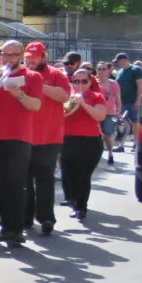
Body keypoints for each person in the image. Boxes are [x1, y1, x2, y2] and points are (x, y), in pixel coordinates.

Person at [0, 40, 43, 246]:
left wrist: (18, 93)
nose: (7, 58)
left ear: (21, 56)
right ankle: (6, 226)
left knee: (15, 183)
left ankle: (16, 228)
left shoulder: (32, 77)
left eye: (12, 55)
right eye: (3, 54)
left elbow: (36, 105)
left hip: (20, 137)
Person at [23, 42, 70, 236]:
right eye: (27, 58)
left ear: (44, 57)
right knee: (24, 180)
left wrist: (38, 84)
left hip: (49, 136)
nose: (30, 61)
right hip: (24, 136)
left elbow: (65, 95)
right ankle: (25, 217)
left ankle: (46, 218)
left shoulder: (55, 74)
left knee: (44, 180)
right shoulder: (19, 74)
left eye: (34, 57)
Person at [61, 69, 106, 221]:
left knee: (82, 175)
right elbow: (60, 115)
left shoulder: (97, 96)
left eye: (84, 81)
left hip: (90, 142)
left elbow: (100, 115)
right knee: (69, 174)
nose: (80, 84)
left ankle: (81, 207)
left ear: (90, 82)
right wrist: (71, 103)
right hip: (68, 139)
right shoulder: (67, 97)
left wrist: (84, 104)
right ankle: (73, 200)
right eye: (76, 81)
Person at [96, 62, 121, 165]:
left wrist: (119, 111)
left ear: (108, 71)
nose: (101, 71)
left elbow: (118, 99)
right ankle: (97, 155)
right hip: (97, 113)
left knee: (107, 135)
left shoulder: (113, 84)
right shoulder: (94, 83)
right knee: (96, 135)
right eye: (99, 69)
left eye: (104, 69)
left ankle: (110, 152)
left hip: (110, 113)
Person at [114, 53, 142, 147]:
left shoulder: (136, 69)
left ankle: (136, 144)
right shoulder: (120, 71)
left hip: (133, 102)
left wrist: (138, 100)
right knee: (121, 123)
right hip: (121, 102)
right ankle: (120, 145)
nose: (118, 63)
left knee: (135, 122)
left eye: (118, 61)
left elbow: (140, 86)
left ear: (124, 60)